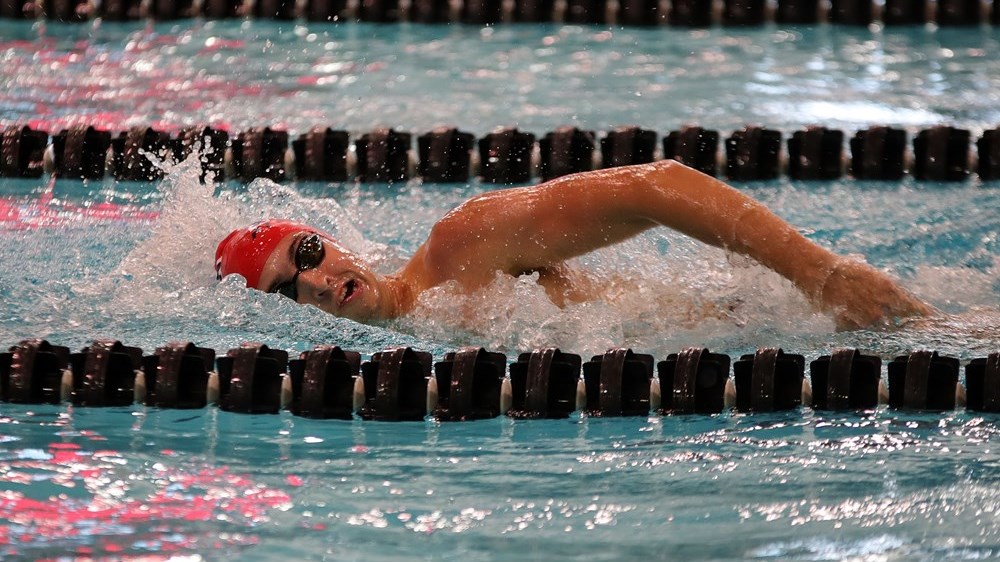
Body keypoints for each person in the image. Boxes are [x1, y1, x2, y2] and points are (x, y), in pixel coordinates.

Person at [214, 159, 932, 330]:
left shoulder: (460, 245)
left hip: (789, 319)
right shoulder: (419, 333)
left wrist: (821, 274)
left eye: (306, 255)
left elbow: (657, 184)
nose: (310, 283)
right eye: (285, 289)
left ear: (331, 240)